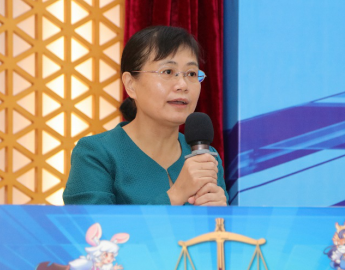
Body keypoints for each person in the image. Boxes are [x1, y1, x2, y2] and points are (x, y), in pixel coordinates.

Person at [63, 25, 228, 206]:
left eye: (191, 74)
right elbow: (92, 224)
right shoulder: (96, 153)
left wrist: (221, 216)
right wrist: (176, 195)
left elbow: (221, 224)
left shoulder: (206, 157)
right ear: (130, 84)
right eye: (168, 72)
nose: (183, 85)